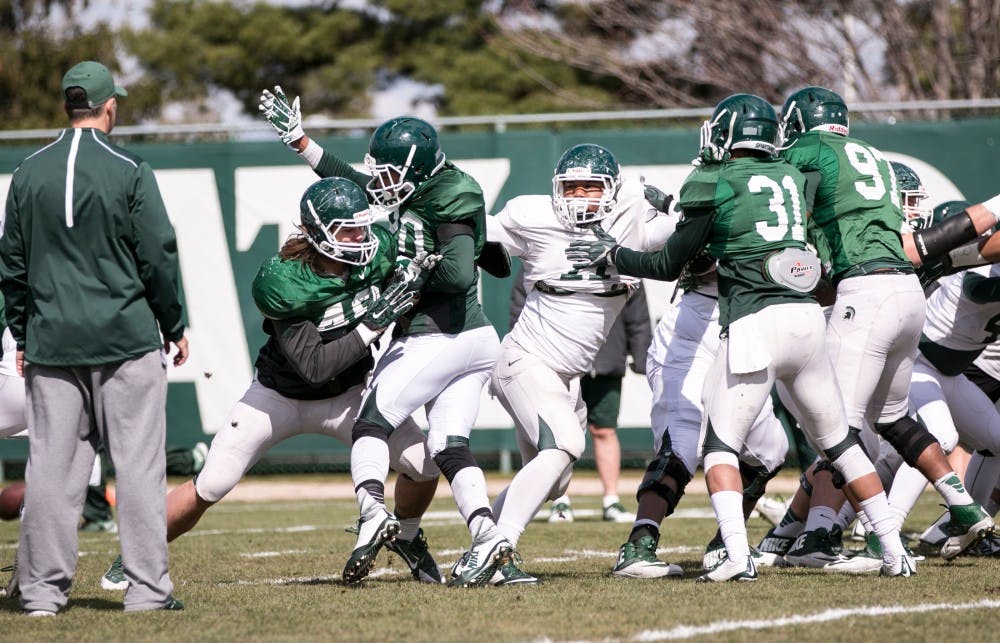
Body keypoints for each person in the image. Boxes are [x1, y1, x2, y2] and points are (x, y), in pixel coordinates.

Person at [568, 93, 913, 581]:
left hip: (747, 320)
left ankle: (728, 547)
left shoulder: (712, 180)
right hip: (741, 321)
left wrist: (614, 254)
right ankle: (641, 542)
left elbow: (684, 245)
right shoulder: (792, 177)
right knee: (691, 442)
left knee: (753, 448)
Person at [100, 177, 445, 589]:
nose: (360, 236)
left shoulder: (380, 252)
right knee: (212, 481)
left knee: (423, 465)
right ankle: (136, 555)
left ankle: (406, 537)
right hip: (277, 397)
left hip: (350, 394)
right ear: (318, 233)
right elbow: (314, 367)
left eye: (362, 225)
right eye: (346, 229)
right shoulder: (285, 281)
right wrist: (375, 322)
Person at [260, 87, 507, 587]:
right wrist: (304, 144)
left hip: (438, 334)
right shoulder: (412, 187)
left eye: (391, 174)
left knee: (372, 423)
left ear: (417, 172)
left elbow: (458, 275)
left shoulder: (453, 195)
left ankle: (373, 512)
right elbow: (358, 184)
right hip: (477, 340)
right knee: (449, 446)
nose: (381, 183)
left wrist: (408, 276)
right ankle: (487, 537)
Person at [775, 87, 994, 569]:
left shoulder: (804, 151)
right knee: (893, 419)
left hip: (865, 293)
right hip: (906, 294)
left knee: (839, 428)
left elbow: (789, 207)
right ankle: (962, 503)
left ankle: (829, 537)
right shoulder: (870, 155)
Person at [0, 60, 187, 614]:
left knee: (52, 476)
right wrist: (174, 323)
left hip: (52, 341)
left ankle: (39, 596)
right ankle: (148, 594)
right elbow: (158, 254)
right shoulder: (130, 168)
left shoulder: (28, 172)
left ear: (67, 105)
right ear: (110, 106)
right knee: (137, 470)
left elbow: (11, 264)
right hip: (125, 340)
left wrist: (21, 332)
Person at [486, 143, 673, 582]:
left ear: (613, 190)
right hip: (526, 361)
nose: (580, 198)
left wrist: (665, 201)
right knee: (567, 443)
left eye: (591, 188)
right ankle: (495, 552)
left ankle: (483, 539)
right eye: (572, 188)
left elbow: (691, 227)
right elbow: (478, 238)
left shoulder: (633, 223)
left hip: (567, 378)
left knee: (553, 483)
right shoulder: (532, 215)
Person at [509, 266, 650, 524]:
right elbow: (521, 300)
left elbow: (636, 309)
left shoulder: (617, 254)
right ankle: (560, 501)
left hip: (606, 358)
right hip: (555, 359)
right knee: (558, 434)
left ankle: (611, 500)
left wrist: (641, 356)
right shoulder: (549, 248)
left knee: (604, 430)